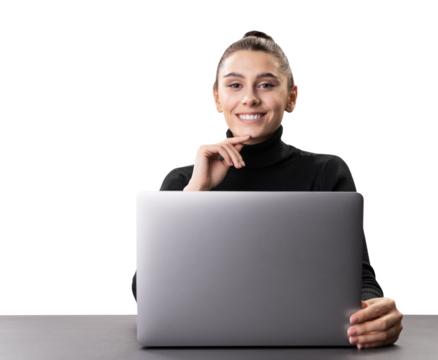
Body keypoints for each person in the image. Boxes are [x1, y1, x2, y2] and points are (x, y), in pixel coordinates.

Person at [132, 28, 403, 350]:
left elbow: (359, 277)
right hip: (202, 349)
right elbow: (146, 292)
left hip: (310, 348)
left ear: (292, 97)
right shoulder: (182, 182)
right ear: (217, 98)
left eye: (266, 84)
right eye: (235, 85)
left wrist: (374, 311)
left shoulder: (326, 172)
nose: (250, 98)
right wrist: (197, 190)